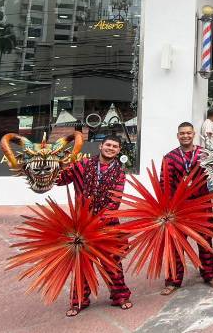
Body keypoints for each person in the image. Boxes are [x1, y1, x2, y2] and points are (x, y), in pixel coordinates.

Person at [57, 135, 131, 317]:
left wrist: (98, 222)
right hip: (81, 225)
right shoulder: (82, 165)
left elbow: (115, 202)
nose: (111, 148)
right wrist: (51, 168)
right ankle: (79, 301)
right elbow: (61, 179)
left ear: (119, 150)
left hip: (107, 225)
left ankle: (120, 296)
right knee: (81, 264)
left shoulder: (120, 173)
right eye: (108, 145)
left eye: (115, 146)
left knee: (112, 262)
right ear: (100, 146)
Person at [160, 122, 213, 295]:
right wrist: (166, 208)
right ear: (177, 136)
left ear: (194, 134)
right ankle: (173, 280)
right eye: (182, 133)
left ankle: (210, 275)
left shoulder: (204, 154)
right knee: (176, 244)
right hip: (179, 208)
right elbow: (164, 183)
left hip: (202, 205)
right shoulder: (170, 157)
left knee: (205, 241)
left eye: (188, 133)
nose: (185, 136)